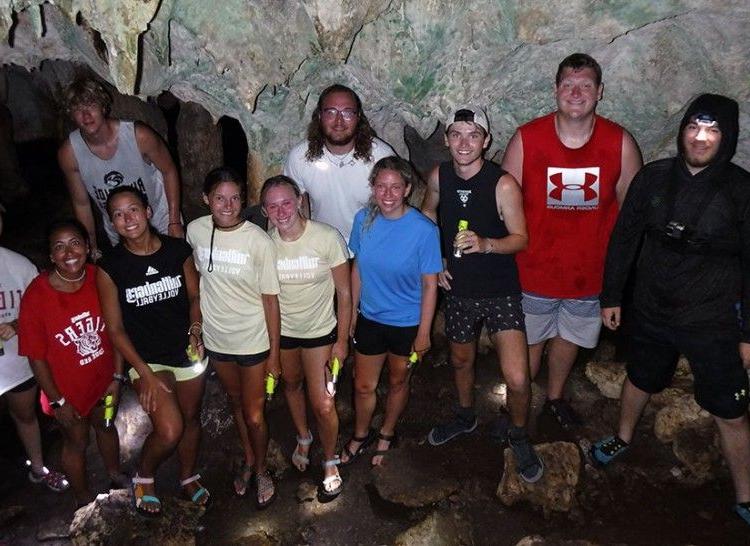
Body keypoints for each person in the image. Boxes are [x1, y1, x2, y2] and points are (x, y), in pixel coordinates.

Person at [591, 94, 750, 525]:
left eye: (712, 130)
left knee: (731, 410)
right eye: (693, 128)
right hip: (652, 307)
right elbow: (624, 238)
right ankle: (622, 437)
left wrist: (747, 333)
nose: (700, 138)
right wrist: (611, 295)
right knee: (640, 377)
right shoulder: (653, 178)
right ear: (681, 130)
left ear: (726, 137)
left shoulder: (740, 190)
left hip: (712, 317)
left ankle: (745, 494)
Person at [501, 53, 642, 430]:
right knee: (528, 344)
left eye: (585, 86)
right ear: (555, 90)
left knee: (568, 339)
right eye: (568, 85)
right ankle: (518, 401)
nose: (576, 93)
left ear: (600, 92)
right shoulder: (527, 138)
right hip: (533, 269)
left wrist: (621, 278)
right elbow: (502, 200)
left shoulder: (620, 142)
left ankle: (555, 397)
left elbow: (633, 212)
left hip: (589, 273)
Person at [422, 106, 543, 483]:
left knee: (518, 378)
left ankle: (519, 434)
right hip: (458, 290)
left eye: (473, 135)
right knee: (461, 361)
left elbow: (521, 238)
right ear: (446, 139)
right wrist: (435, 258)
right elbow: (427, 214)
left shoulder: (502, 183)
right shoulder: (439, 175)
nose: (463, 142)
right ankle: (465, 416)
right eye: (456, 134)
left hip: (499, 291)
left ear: (486, 141)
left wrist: (487, 243)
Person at [96, 187, 208, 516]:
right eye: (118, 214)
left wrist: (195, 330)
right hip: (146, 359)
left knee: (191, 418)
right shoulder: (111, 266)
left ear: (147, 211)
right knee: (170, 428)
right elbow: (115, 329)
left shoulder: (177, 250)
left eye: (133, 209)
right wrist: (143, 374)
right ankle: (144, 475)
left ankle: (188, 476)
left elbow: (194, 297)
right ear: (112, 223)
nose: (127, 218)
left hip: (185, 349)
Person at [186, 167, 280, 508]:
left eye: (235, 197)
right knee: (237, 404)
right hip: (217, 340)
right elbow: (193, 282)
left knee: (255, 413)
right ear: (206, 199)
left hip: (253, 339)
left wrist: (274, 354)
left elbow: (271, 299)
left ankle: (262, 469)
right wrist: (195, 328)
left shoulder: (258, 240)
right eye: (220, 198)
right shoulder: (195, 231)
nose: (228, 205)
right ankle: (251, 459)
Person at [340, 156, 441, 467]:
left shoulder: (423, 230)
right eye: (381, 186)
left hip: (407, 323)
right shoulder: (362, 220)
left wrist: (424, 332)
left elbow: (430, 285)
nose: (387, 194)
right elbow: (356, 268)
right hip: (371, 317)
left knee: (398, 381)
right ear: (372, 187)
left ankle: (386, 431)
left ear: (407, 189)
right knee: (363, 384)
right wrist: (354, 313)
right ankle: (360, 434)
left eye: (395, 187)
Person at [17, 219, 124, 507]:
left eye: (75, 243)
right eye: (59, 247)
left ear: (88, 247)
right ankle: (83, 499)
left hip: (104, 380)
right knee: (76, 442)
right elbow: (35, 356)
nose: (69, 253)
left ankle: (116, 476)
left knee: (106, 425)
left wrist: (117, 377)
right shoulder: (37, 296)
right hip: (66, 391)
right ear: (51, 256)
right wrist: (57, 401)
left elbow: (116, 331)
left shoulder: (100, 277)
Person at [261, 175, 351, 499]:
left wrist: (342, 340)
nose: (281, 211)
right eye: (273, 205)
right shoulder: (265, 245)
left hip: (319, 332)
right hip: (282, 333)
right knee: (291, 385)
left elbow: (344, 292)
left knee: (324, 403)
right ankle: (303, 436)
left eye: (286, 202)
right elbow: (264, 298)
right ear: (264, 210)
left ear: (299, 200)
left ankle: (330, 459)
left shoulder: (326, 237)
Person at [58, 77, 183, 260]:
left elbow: (169, 171)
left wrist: (174, 221)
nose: (86, 116)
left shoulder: (139, 135)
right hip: (119, 224)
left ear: (103, 106)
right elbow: (82, 203)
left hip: (159, 214)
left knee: (173, 265)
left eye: (91, 105)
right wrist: (91, 246)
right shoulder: (69, 153)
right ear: (71, 114)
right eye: (78, 110)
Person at [0, 204, 68, 493]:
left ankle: (39, 469)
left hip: (16, 364)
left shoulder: (18, 265)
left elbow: (43, 308)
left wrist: (16, 323)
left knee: (25, 416)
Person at [284, 84, 396, 244]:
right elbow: (294, 203)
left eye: (347, 113)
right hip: (322, 244)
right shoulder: (300, 156)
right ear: (319, 117)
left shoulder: (380, 156)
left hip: (371, 243)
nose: (339, 121)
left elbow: (396, 208)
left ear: (358, 117)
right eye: (331, 112)